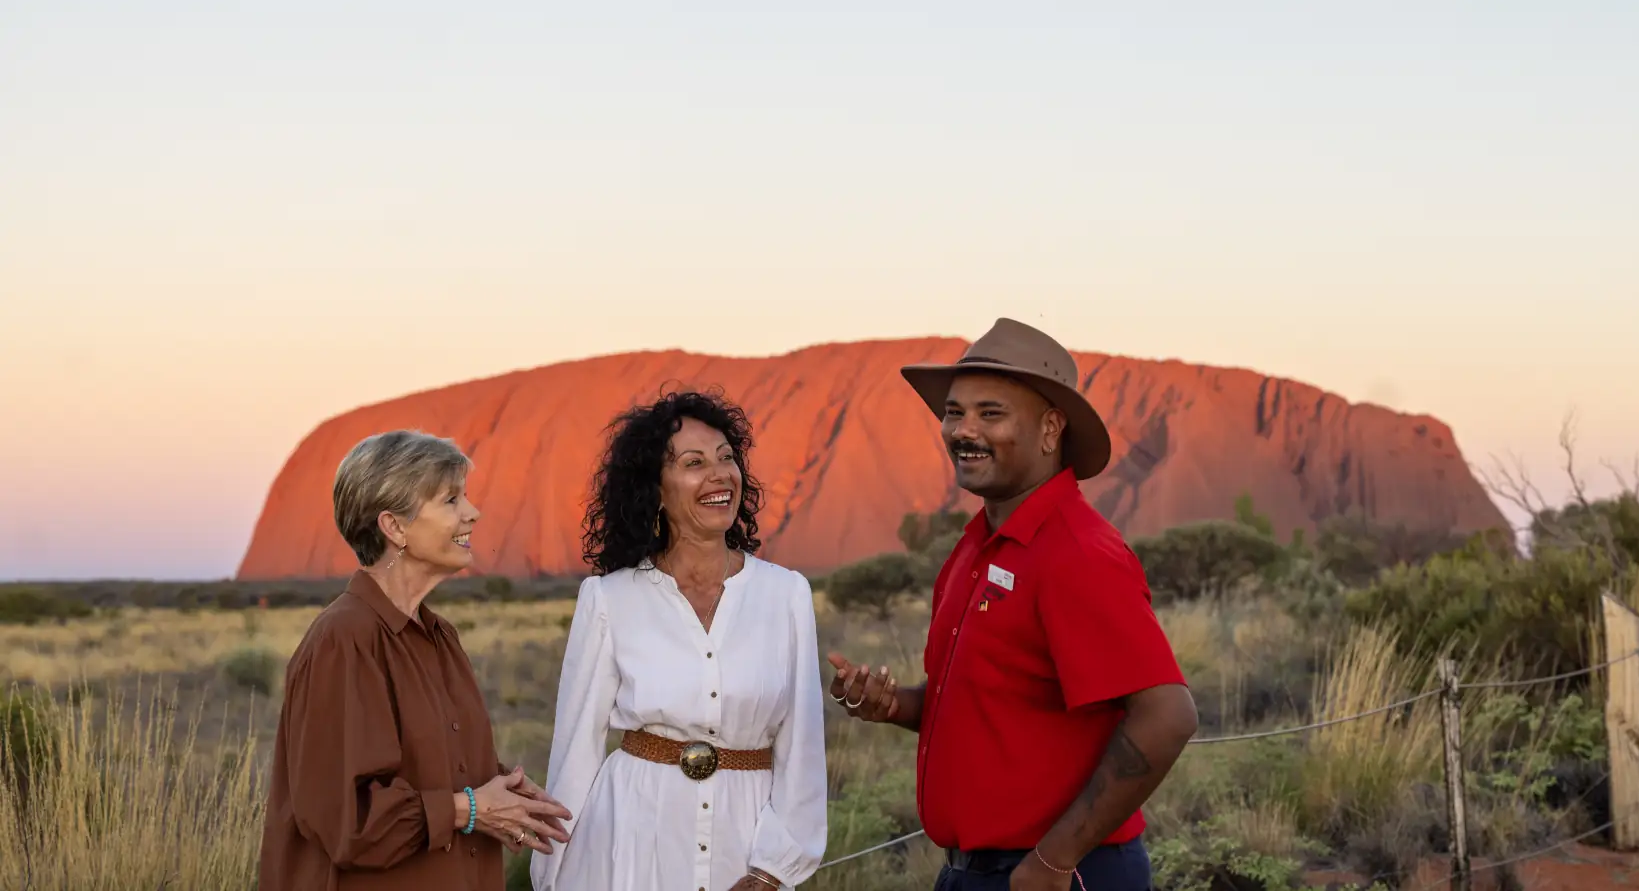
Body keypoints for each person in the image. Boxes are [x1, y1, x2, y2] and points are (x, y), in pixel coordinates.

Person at [828, 318, 1198, 891]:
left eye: (990, 413)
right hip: (976, 872)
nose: (964, 430)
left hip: (1057, 874)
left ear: (1050, 429)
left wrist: (1054, 860)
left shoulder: (1076, 552)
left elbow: (1169, 715)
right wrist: (895, 705)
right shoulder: (977, 547)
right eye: (954, 412)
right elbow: (994, 700)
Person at [532, 390, 828, 891]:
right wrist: (550, 874)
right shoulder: (609, 598)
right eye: (694, 463)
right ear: (656, 489)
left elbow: (802, 750)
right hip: (630, 839)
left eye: (726, 459)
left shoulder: (786, 594)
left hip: (744, 842)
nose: (719, 475)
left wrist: (774, 870)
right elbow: (575, 750)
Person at [259, 430, 573, 891]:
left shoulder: (440, 637)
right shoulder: (344, 640)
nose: (473, 512)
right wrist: (471, 809)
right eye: (451, 500)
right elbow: (346, 820)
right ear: (394, 527)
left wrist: (507, 792)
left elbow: (442, 770)